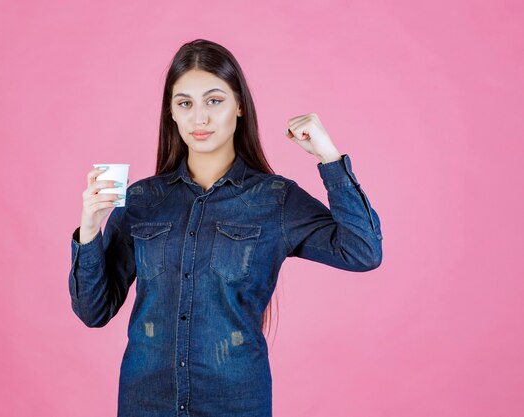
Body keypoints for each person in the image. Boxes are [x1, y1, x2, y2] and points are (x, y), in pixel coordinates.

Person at [68, 38, 383, 417]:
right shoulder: (142, 201)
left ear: (239, 107)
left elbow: (362, 251)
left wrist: (329, 158)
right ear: (171, 112)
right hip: (145, 402)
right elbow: (93, 311)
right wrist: (89, 229)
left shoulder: (274, 199)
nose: (199, 118)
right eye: (185, 103)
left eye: (214, 101)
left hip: (235, 403)